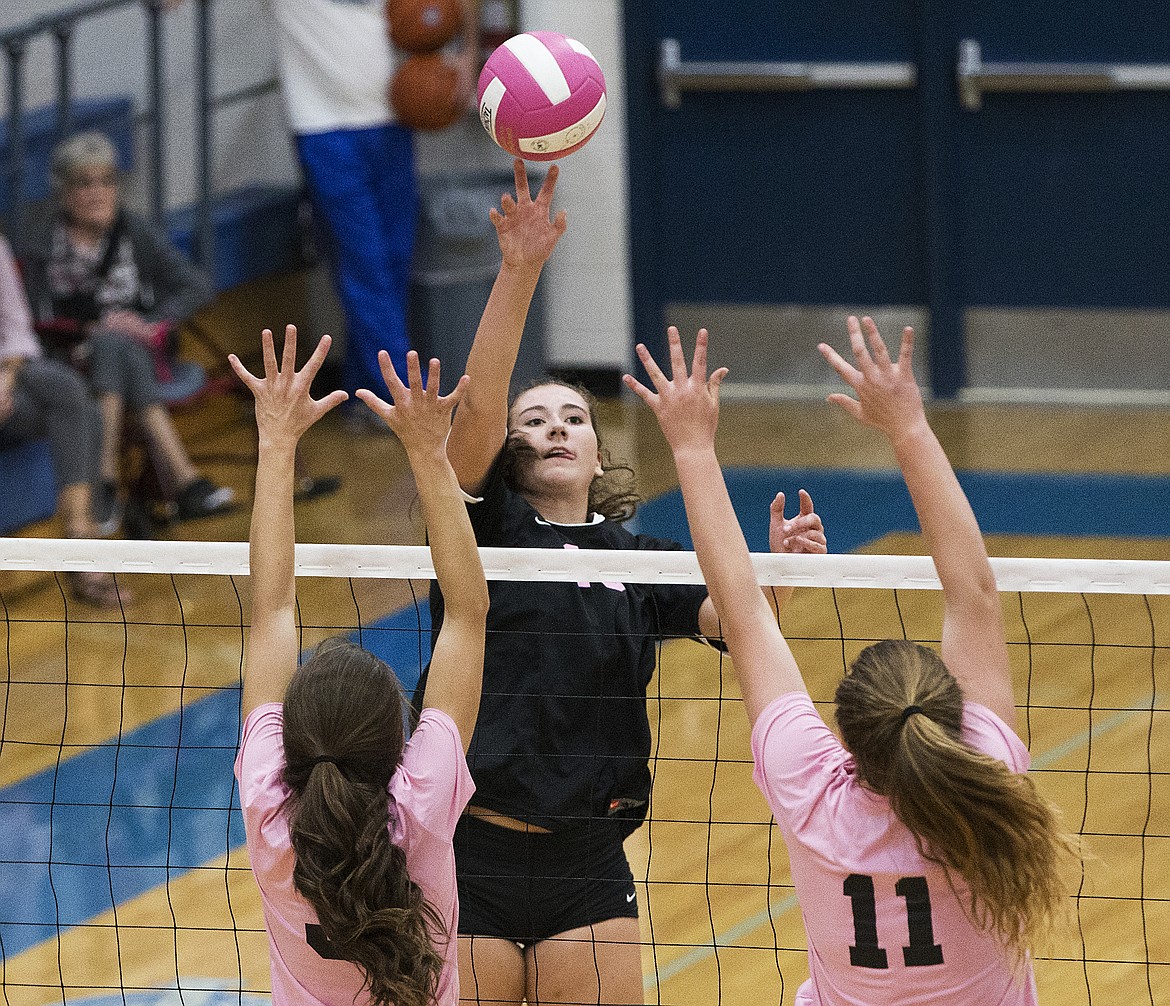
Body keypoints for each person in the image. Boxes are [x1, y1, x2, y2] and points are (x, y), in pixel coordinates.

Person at [418, 159, 826, 1006]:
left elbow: (740, 623)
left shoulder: (644, 557)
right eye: (537, 421)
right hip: (471, 851)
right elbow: (480, 407)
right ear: (511, 452)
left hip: (589, 860)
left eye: (574, 418)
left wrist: (779, 569)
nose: (556, 428)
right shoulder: (483, 532)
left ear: (600, 453)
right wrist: (520, 270)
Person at [626, 319, 1080, 1005]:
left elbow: (744, 617)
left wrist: (692, 448)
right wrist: (911, 429)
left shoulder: (815, 797)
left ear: (847, 737)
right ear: (951, 717)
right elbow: (975, 594)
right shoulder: (987, 772)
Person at [230, 324, 489, 1005]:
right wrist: (430, 455)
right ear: (396, 742)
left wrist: (276, 442)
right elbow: (467, 611)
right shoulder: (422, 801)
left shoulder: (269, 807)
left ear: (292, 739)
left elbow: (271, 610)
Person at [18, 130, 234, 527]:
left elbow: (196, 286)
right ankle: (186, 481)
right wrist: (92, 327)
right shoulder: (40, 241)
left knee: (117, 345)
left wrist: (150, 323)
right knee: (110, 344)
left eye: (107, 181)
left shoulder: (134, 230)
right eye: (84, 183)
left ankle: (104, 481)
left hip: (142, 353)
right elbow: (31, 319)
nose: (97, 192)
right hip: (71, 358)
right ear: (63, 191)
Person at [268, 0, 477, 403]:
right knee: (367, 265)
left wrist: (468, 53)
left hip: (391, 121)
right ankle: (404, 398)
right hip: (323, 130)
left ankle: (363, 396)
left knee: (397, 260)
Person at [0, 232, 126, 607]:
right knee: (83, 410)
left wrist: (5, 380)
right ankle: (82, 547)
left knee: (67, 386)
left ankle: (76, 531)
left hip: (9, 372)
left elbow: (16, 326)